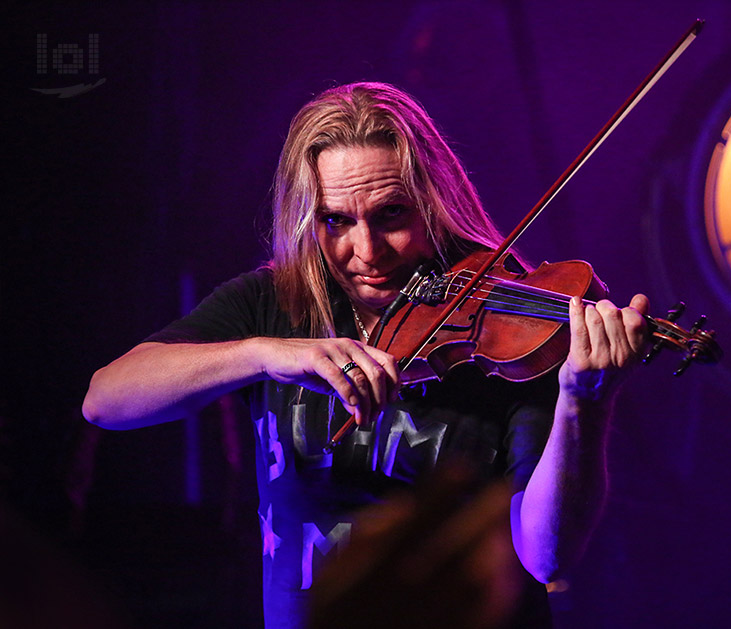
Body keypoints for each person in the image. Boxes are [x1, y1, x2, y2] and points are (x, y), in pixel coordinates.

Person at [83, 82, 650, 628]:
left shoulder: (511, 328)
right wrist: (262, 353)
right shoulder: (274, 302)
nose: (367, 252)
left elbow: (546, 556)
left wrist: (583, 404)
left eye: (392, 215)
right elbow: (105, 400)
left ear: (433, 202)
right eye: (336, 221)